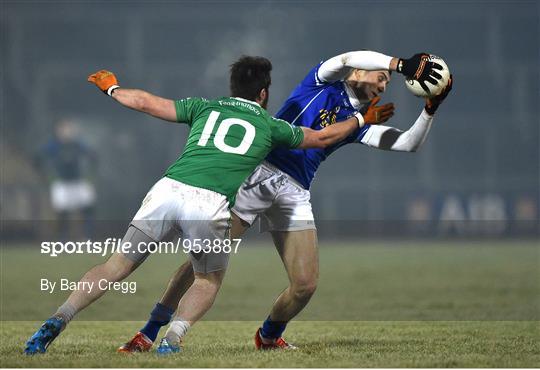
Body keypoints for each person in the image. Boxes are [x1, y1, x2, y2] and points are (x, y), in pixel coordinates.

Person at [24, 55, 393, 355]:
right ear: (263, 94)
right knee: (207, 279)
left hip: (167, 190)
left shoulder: (204, 106)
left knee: (114, 267)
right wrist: (361, 118)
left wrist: (113, 88)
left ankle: (58, 318)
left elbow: (148, 103)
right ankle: (171, 341)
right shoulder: (269, 126)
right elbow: (321, 137)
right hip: (210, 203)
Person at [117, 51, 452, 353]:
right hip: (257, 175)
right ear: (357, 72)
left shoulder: (362, 121)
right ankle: (149, 331)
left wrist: (430, 110)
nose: (383, 83)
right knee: (200, 263)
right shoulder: (321, 81)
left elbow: (408, 143)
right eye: (379, 75)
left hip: (295, 193)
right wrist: (398, 63)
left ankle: (268, 335)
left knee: (305, 285)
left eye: (387, 80)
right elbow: (348, 56)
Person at [35, 119, 98, 240]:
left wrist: (91, 176)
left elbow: (92, 155)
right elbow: (38, 158)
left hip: (78, 182)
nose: (66, 132)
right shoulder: (54, 146)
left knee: (88, 209)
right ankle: (62, 241)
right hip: (62, 184)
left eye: (69, 129)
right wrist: (47, 176)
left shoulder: (77, 144)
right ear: (58, 131)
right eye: (63, 130)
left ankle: (87, 237)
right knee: (62, 214)